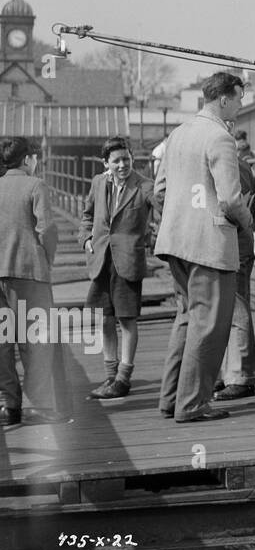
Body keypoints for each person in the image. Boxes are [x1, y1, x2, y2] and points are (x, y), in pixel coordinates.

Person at [153, 72, 253, 423]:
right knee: (209, 324)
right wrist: (247, 220)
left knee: (186, 319)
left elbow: (160, 191)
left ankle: (171, 399)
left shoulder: (178, 133)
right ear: (223, 99)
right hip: (208, 245)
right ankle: (192, 403)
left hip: (176, 241)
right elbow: (229, 199)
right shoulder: (220, 138)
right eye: (239, 98)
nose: (241, 104)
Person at [80, 136, 155, 402]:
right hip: (101, 260)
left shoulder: (145, 186)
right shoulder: (98, 183)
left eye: (126, 159)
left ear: (132, 158)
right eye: (116, 161)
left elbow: (164, 207)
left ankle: (123, 378)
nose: (122, 165)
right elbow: (87, 215)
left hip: (127, 262)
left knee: (127, 319)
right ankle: (109, 375)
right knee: (104, 318)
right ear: (106, 163)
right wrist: (87, 239)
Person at [0, 137, 68, 426]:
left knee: (3, 342)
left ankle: (9, 406)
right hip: (28, 273)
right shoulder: (35, 185)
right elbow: (47, 229)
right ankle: (39, 405)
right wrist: (46, 260)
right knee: (35, 343)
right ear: (28, 159)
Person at [216, 143, 255, 401]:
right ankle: (233, 373)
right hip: (242, 241)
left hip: (230, 242)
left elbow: (229, 204)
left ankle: (241, 375)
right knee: (235, 306)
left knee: (236, 308)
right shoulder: (243, 165)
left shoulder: (225, 167)